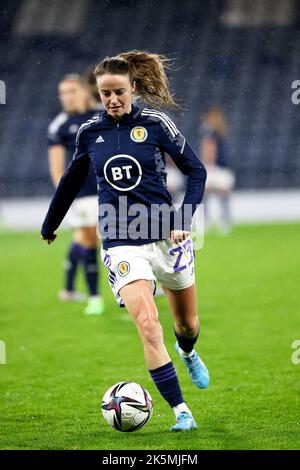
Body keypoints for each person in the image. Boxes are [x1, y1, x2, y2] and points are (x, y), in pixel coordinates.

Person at [41, 51, 209, 431]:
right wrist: (50, 223)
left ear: (133, 87)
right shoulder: (89, 133)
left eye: (119, 91)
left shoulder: (156, 124)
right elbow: (70, 180)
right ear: (97, 95)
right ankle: (181, 411)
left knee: (186, 323)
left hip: (167, 237)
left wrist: (184, 217)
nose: (113, 100)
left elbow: (195, 171)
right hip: (120, 239)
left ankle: (188, 352)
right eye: (105, 94)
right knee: (149, 323)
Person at [47, 74, 104, 315]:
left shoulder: (102, 114)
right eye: (62, 93)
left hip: (109, 189)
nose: (66, 97)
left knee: (85, 240)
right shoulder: (59, 125)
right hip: (83, 194)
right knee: (90, 239)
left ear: (84, 91)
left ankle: (70, 289)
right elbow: (57, 169)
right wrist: (65, 199)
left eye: (71, 91)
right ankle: (94, 297)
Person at [200, 106, 235, 234]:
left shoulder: (213, 133)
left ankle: (216, 222)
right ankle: (222, 222)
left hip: (215, 168)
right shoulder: (219, 133)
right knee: (216, 196)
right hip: (219, 168)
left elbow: (209, 151)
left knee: (213, 195)